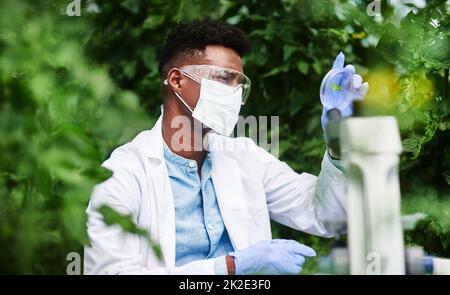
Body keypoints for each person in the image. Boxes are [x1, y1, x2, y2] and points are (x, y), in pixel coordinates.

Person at [83, 18, 368, 275]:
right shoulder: (124, 173)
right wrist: (231, 266)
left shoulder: (244, 157)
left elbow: (324, 216)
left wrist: (338, 145)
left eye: (239, 83)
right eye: (223, 78)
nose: (233, 92)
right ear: (177, 80)